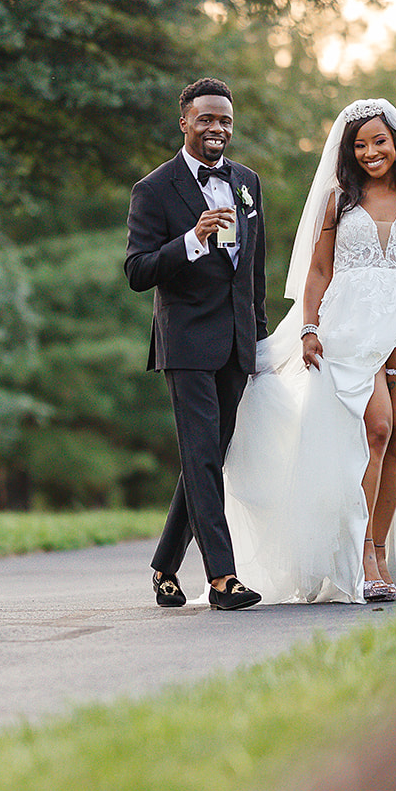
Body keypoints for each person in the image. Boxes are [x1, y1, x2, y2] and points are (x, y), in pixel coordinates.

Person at [223, 97, 396, 603]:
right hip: (349, 326)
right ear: (349, 151)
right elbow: (318, 271)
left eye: (379, 142)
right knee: (377, 429)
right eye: (360, 145)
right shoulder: (338, 200)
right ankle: (361, 553)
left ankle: (382, 552)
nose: (370, 152)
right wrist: (308, 327)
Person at [127, 77, 270, 611]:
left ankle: (166, 564)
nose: (218, 129)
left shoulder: (248, 182)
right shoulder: (154, 189)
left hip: (236, 342)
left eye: (225, 121)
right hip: (185, 343)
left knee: (207, 458)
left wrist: (258, 339)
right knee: (203, 457)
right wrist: (192, 240)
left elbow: (254, 268)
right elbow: (138, 271)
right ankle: (222, 579)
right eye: (207, 119)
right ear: (184, 122)